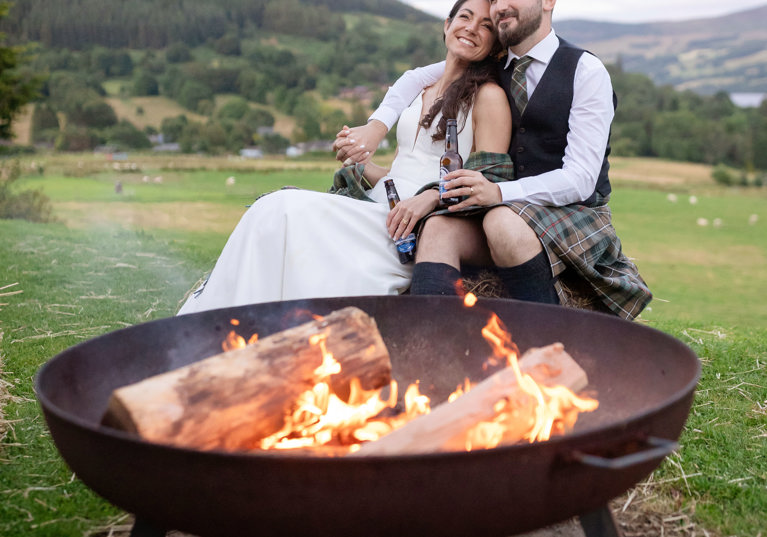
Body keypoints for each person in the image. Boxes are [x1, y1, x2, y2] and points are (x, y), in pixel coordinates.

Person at [177, 0, 510, 315]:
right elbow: (400, 171)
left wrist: (430, 197)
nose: (471, 28)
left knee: (280, 210)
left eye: (485, 26)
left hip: (414, 223)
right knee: (271, 209)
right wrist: (360, 166)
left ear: (495, 45)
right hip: (382, 203)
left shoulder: (489, 97)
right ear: (447, 25)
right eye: (464, 17)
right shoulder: (421, 91)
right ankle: (226, 324)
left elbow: (489, 182)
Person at [334, 0, 652, 320]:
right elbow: (416, 78)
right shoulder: (488, 64)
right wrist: (377, 125)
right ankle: (431, 347)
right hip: (493, 206)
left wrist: (499, 194)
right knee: (437, 228)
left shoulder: (585, 70)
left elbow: (581, 179)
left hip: (572, 210)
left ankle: (545, 338)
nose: (501, 5)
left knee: (502, 223)